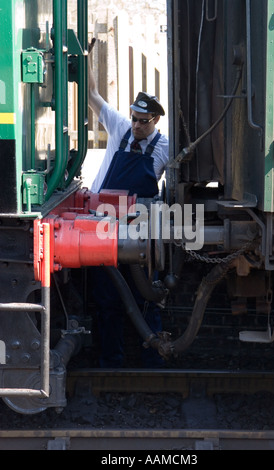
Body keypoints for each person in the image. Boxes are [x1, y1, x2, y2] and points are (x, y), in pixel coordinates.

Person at [88, 40, 169, 367]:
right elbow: (92, 96)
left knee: (145, 294)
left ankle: (152, 360)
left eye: (143, 121)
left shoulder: (164, 148)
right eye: (134, 118)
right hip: (101, 225)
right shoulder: (119, 127)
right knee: (106, 296)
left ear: (155, 122)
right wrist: (86, 59)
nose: (136, 125)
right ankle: (111, 359)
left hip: (139, 230)